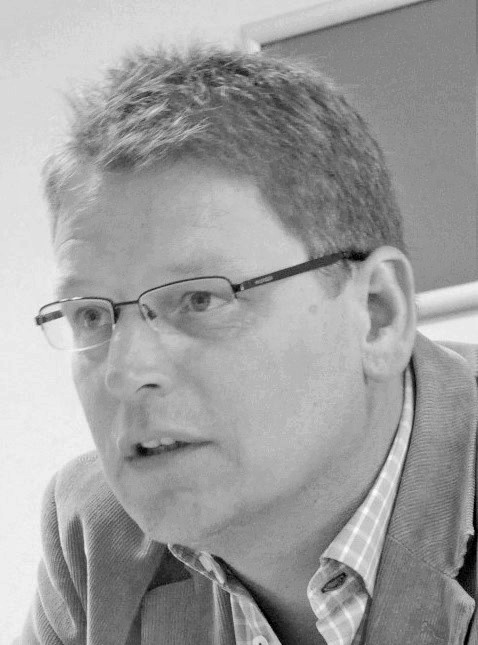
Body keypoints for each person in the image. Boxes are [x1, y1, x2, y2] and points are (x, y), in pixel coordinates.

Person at [17, 46, 476, 645]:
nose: (125, 371)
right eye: (90, 316)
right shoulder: (96, 536)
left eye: (200, 299)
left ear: (376, 314)